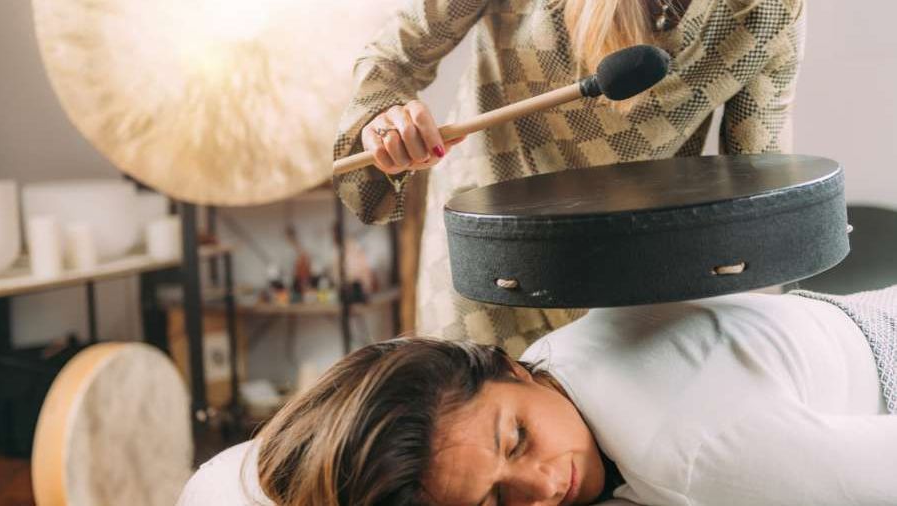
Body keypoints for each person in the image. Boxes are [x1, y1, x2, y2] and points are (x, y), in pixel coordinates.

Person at [332, 0, 807, 352]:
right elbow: (391, 59)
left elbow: (756, 188)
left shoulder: (770, 11)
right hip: (487, 259)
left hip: (627, 276)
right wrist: (386, 118)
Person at [176, 286, 897, 505]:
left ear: (508, 368)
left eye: (514, 440)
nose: (546, 487)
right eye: (494, 501)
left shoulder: (695, 460)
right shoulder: (558, 365)